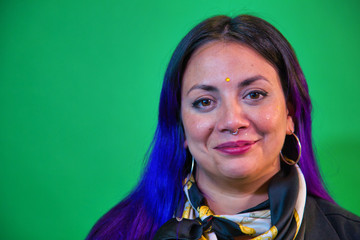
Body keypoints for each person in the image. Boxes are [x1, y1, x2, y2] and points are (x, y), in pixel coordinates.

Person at [87, 15, 360, 240]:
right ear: (180, 125)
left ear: (289, 113)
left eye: (254, 94)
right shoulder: (117, 232)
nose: (232, 121)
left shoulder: (350, 233)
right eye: (204, 101)